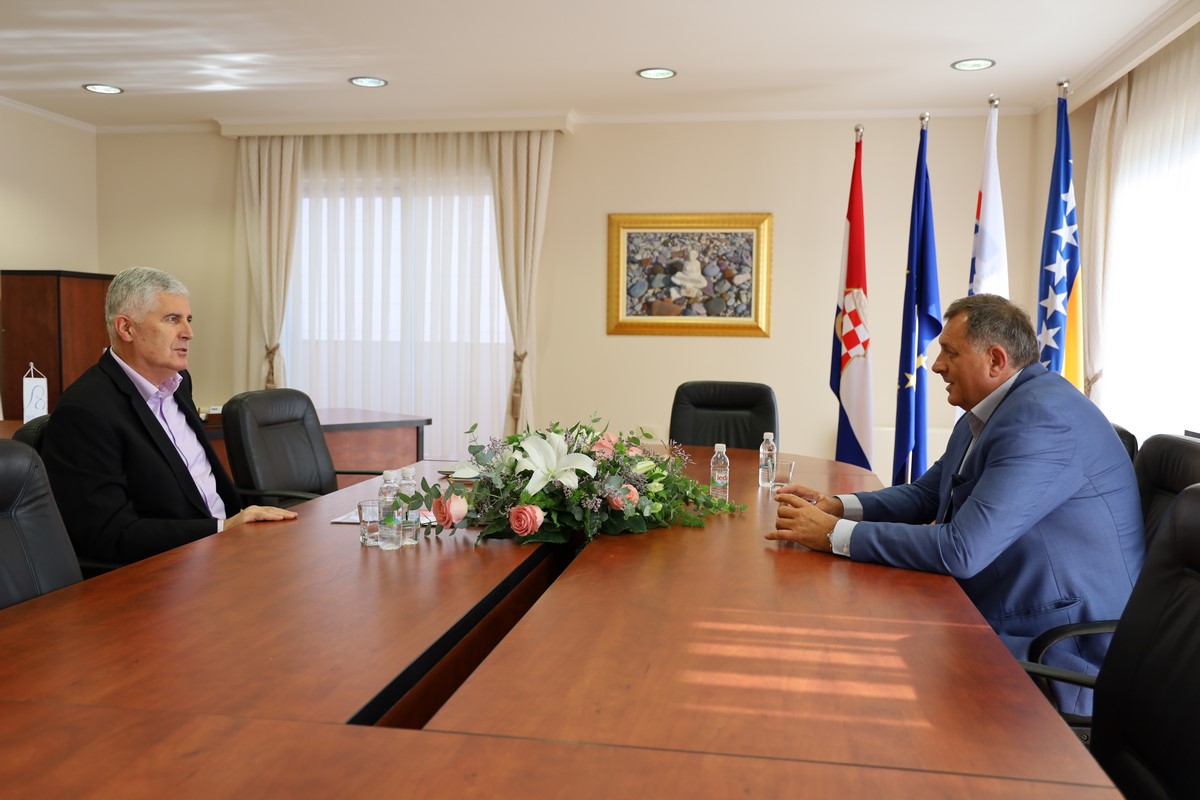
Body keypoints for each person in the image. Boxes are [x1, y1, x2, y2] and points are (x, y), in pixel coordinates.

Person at [767, 294, 1145, 716]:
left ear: (995, 360)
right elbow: (927, 495)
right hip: (1004, 603)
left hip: (1058, 646)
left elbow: (961, 550)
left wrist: (831, 536)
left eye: (950, 352)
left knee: (862, 669)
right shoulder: (991, 410)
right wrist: (839, 508)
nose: (936, 366)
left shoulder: (1042, 420)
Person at [42, 267, 297, 566]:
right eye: (172, 319)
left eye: (188, 319)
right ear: (126, 328)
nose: (189, 333)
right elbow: (106, 534)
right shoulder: (85, 410)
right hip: (166, 571)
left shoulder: (179, 383)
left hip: (228, 549)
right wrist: (221, 529)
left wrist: (236, 527)